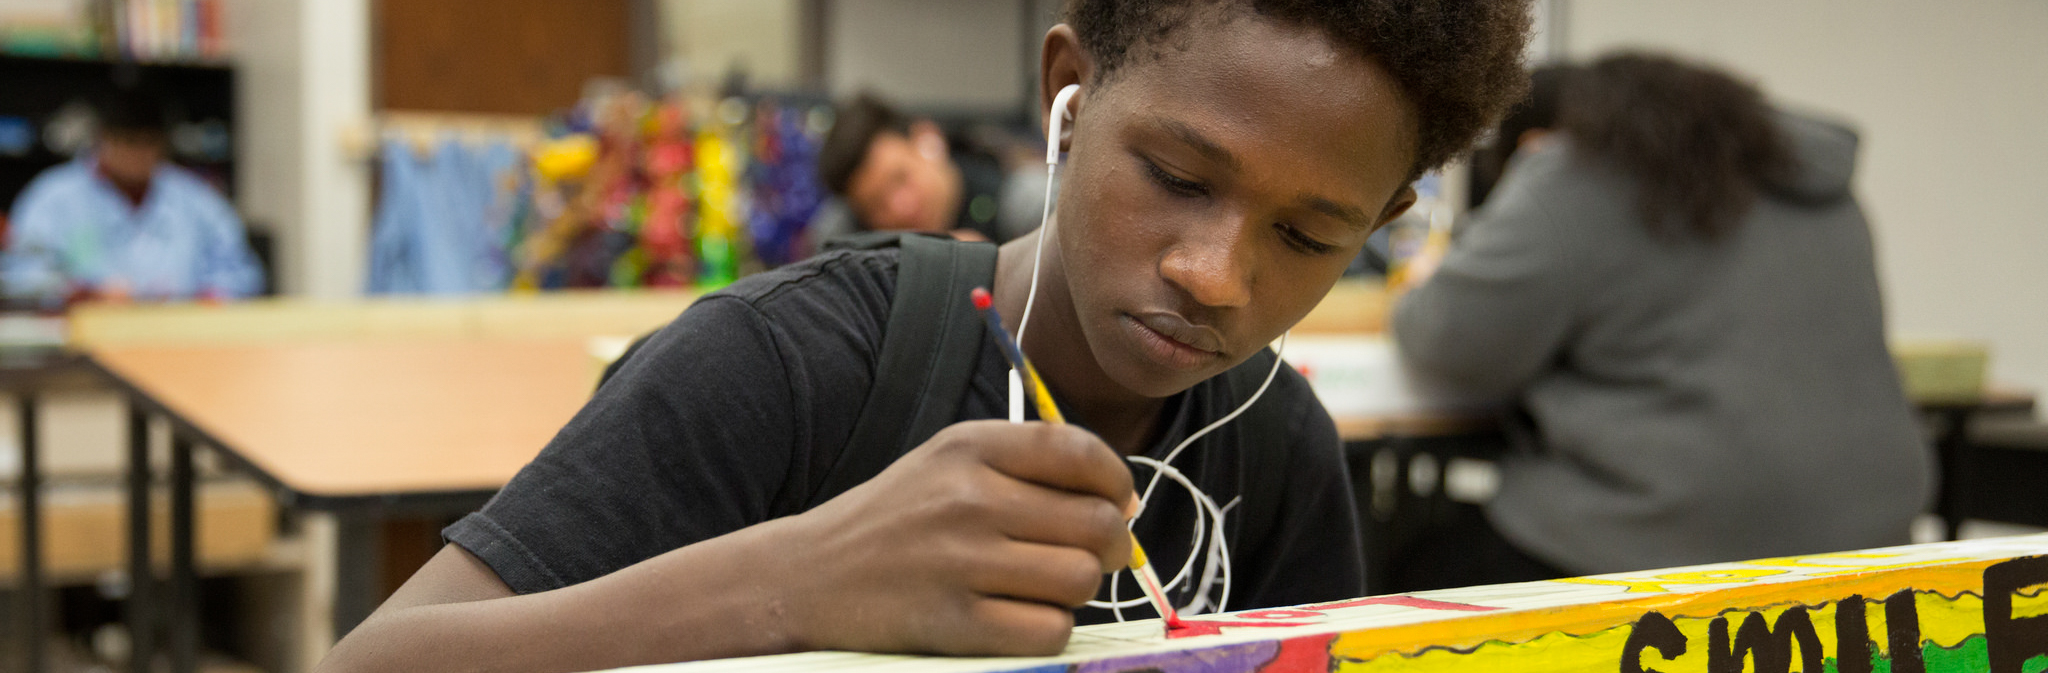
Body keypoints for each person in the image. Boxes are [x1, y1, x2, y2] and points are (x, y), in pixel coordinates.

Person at [318, 0, 1532, 669]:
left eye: (1311, 237)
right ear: (1069, 90)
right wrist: (797, 581)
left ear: (1382, 220)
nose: (1212, 275)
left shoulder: (1273, 450)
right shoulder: (792, 364)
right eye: (1171, 174)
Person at [1389, 52, 1932, 591]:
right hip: (1873, 536)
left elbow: (1448, 340)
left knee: (1402, 556)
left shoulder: (1576, 175)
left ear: (1533, 145)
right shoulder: (1817, 187)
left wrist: (1423, 277)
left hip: (1669, 537)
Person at [2, 90, 263, 307]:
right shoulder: (53, 197)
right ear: (102, 139)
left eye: (148, 143)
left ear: (163, 145)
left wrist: (207, 301)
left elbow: (242, 276)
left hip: (181, 340)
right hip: (84, 341)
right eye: (127, 142)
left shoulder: (198, 200)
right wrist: (82, 295)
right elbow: (22, 274)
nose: (137, 155)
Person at [816, 93, 1044, 243]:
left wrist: (999, 266)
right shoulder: (843, 236)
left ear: (926, 139)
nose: (901, 208)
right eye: (876, 205)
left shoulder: (1028, 203)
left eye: (900, 178)